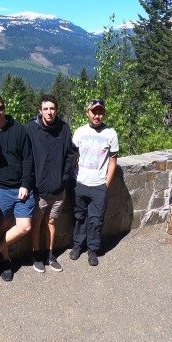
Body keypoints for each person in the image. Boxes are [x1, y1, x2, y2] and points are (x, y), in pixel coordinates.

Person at [0, 92, 36, 282]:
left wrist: (26, 184)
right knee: (3, 224)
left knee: (24, 226)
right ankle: (5, 261)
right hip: (0, 189)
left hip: (21, 187)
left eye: (1, 107)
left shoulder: (19, 129)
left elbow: (28, 158)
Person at [25, 95, 75, 273]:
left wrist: (64, 177)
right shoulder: (31, 129)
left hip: (59, 189)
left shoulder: (64, 128)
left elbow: (70, 154)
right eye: (45, 109)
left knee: (52, 221)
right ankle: (37, 255)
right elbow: (26, 156)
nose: (49, 112)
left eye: (52, 108)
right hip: (39, 189)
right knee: (37, 223)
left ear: (56, 110)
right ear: (40, 111)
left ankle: (50, 254)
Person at [70, 99, 119, 267]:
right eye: (94, 112)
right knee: (80, 217)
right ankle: (77, 245)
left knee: (96, 220)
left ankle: (92, 249)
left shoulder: (110, 133)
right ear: (87, 113)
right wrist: (73, 177)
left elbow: (113, 161)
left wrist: (106, 184)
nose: (97, 115)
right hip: (81, 182)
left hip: (99, 185)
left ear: (103, 114)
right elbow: (73, 156)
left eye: (100, 112)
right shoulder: (79, 132)